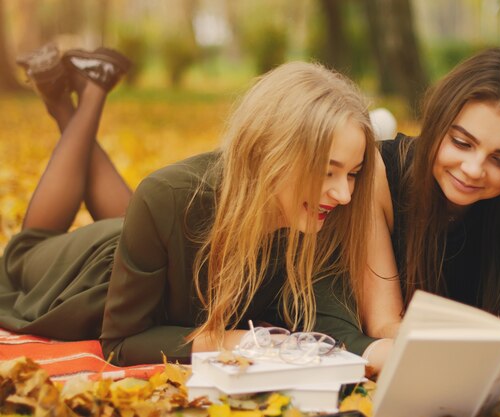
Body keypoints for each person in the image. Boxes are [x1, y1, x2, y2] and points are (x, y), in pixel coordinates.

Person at [0, 43, 378, 366]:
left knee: (154, 210)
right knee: (25, 249)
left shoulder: (322, 217)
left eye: (353, 174)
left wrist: (386, 351)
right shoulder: (169, 196)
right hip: (95, 274)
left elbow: (338, 331)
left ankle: (68, 97)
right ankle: (79, 99)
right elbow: (121, 342)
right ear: (271, 152)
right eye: (327, 172)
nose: (344, 194)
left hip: (151, 242)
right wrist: (233, 340)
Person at [315, 47, 500, 390]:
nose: (473, 170)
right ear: (438, 124)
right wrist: (484, 359)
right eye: (461, 142)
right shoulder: (379, 175)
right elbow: (383, 324)